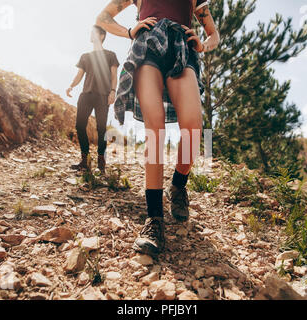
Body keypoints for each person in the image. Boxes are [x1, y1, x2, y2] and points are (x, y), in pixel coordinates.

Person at [96, 0, 220, 256]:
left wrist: (204, 45)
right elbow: (103, 18)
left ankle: (179, 185)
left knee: (193, 126)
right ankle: (154, 220)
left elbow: (213, 33)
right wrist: (130, 31)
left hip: (181, 48)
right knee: (155, 128)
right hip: (147, 47)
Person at [67, 25, 120, 174]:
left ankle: (101, 161)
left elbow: (114, 76)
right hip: (86, 95)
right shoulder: (85, 56)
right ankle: (85, 160)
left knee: (101, 128)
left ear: (102, 36)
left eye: (94, 33)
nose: (91, 35)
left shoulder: (111, 55)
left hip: (103, 95)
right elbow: (79, 75)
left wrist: (113, 92)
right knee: (79, 126)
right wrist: (71, 86)